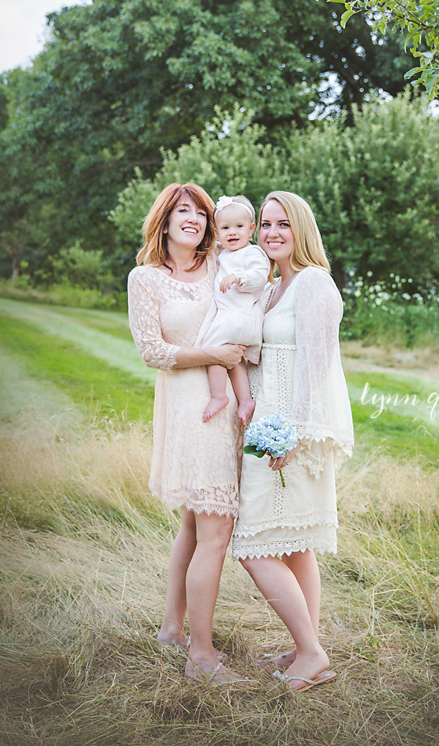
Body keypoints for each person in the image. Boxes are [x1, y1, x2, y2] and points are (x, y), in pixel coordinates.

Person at [232, 191, 354, 691]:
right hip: (265, 428)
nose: (272, 232)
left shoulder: (315, 285)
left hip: (293, 435)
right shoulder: (272, 289)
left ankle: (312, 653)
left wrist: (294, 437)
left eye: (283, 223)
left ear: (301, 229)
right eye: (265, 224)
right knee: (297, 545)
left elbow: (316, 366)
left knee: (253, 544)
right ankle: (306, 644)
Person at [127, 182, 248, 685]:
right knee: (214, 528)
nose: (194, 219)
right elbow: (152, 350)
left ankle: (171, 629)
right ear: (166, 219)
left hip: (225, 408)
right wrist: (215, 356)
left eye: (201, 213)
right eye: (184, 211)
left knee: (197, 526)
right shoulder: (145, 278)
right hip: (187, 408)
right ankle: (201, 653)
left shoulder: (221, 264)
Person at [196, 194, 269, 425]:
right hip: (235, 319)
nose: (233, 232)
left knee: (212, 351)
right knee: (233, 359)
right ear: (217, 233)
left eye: (239, 226)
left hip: (239, 317)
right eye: (225, 228)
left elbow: (260, 276)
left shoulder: (253, 252)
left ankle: (219, 396)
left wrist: (238, 277)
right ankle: (245, 399)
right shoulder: (225, 252)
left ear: (252, 229)